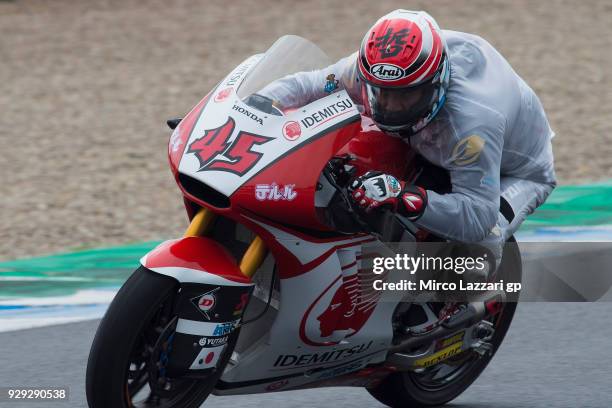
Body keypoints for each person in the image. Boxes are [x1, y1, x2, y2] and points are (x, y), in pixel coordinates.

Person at [259, 9, 556, 269]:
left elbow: (477, 216)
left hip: (513, 171)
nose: (390, 106)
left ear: (436, 82)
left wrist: (402, 195)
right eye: (382, 93)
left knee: (483, 243)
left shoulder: (472, 123)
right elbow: (308, 84)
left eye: (405, 95)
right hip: (435, 139)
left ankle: (453, 309)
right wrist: (258, 105)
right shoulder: (373, 70)